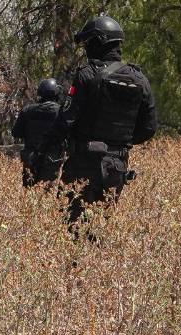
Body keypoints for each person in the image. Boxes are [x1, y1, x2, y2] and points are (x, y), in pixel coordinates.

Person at [57, 15, 157, 229]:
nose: (86, 49)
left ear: (98, 42)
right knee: (101, 228)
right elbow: (148, 129)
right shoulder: (140, 80)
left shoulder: (87, 75)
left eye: (88, 43)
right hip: (116, 167)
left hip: (83, 165)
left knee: (73, 230)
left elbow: (66, 119)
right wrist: (118, 143)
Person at [12, 78, 64, 187]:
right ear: (56, 93)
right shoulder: (62, 112)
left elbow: (16, 133)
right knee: (48, 191)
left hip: (30, 157)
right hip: (52, 159)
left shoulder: (27, 110)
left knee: (28, 191)